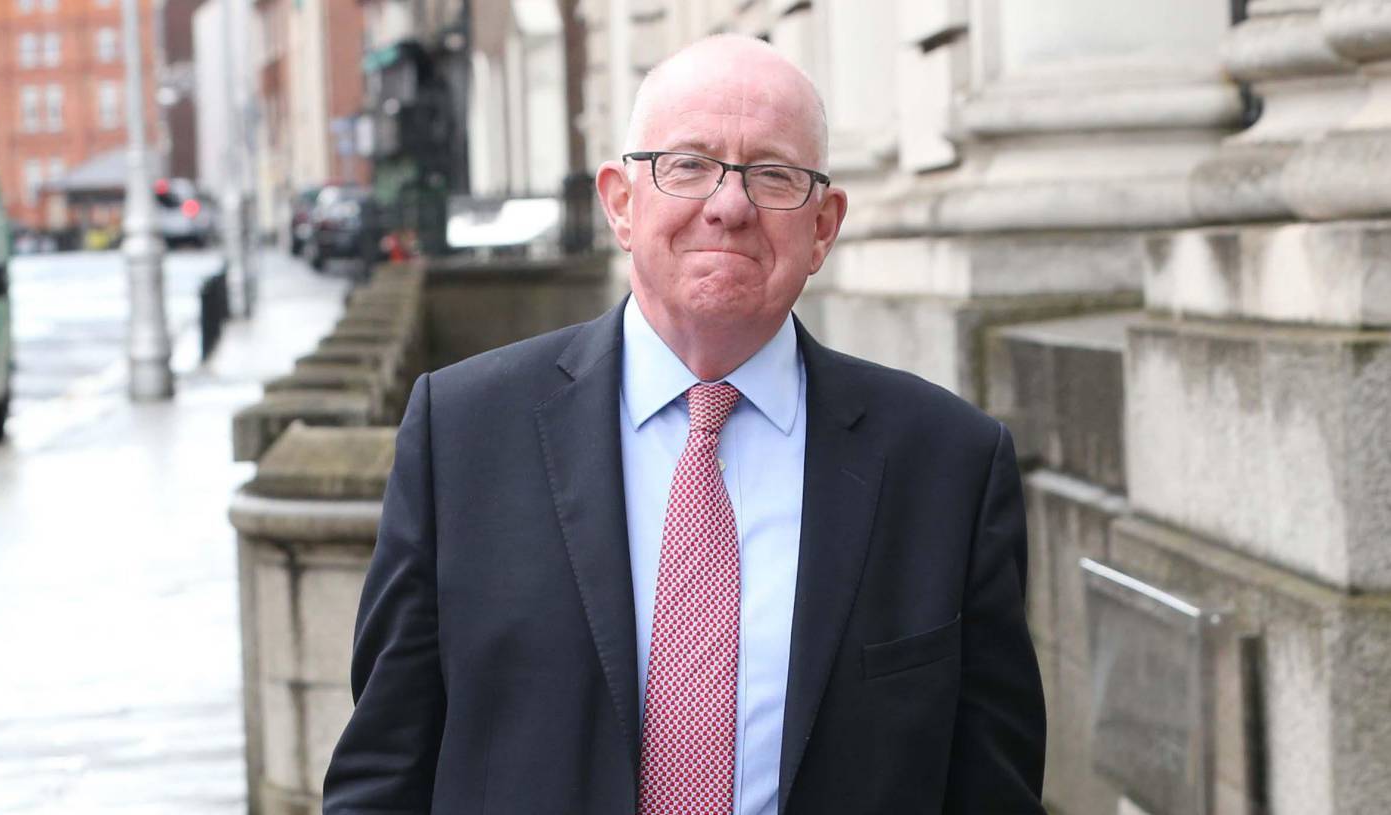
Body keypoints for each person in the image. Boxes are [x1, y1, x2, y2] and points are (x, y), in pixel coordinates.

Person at [323, 35, 1046, 815]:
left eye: (773, 174)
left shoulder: (949, 466)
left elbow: (993, 791)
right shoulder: (463, 436)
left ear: (823, 226)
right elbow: (383, 774)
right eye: (689, 164)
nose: (729, 206)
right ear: (621, 202)